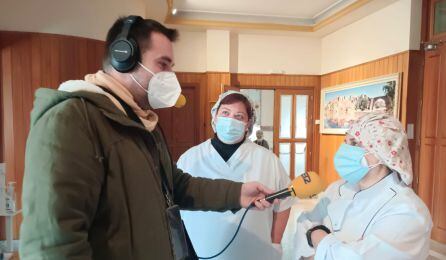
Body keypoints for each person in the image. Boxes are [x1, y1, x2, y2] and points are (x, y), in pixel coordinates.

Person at [19, 15, 276, 260]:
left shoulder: (142, 123)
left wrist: (237, 193)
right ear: (124, 57)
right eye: (163, 64)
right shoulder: (72, 119)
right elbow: (52, 242)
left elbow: (177, 186)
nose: (170, 76)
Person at [294, 112, 432, 260]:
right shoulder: (337, 188)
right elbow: (305, 222)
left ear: (382, 152)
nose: (344, 150)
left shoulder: (408, 211)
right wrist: (321, 239)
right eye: (345, 141)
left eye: (354, 144)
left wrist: (316, 236)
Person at [178, 91, 292, 259]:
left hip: (255, 250)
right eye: (225, 113)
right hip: (201, 250)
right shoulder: (190, 158)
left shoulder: (268, 160)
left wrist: (275, 243)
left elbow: (284, 203)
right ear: (214, 117)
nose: (231, 120)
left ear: (248, 124)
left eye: (239, 116)